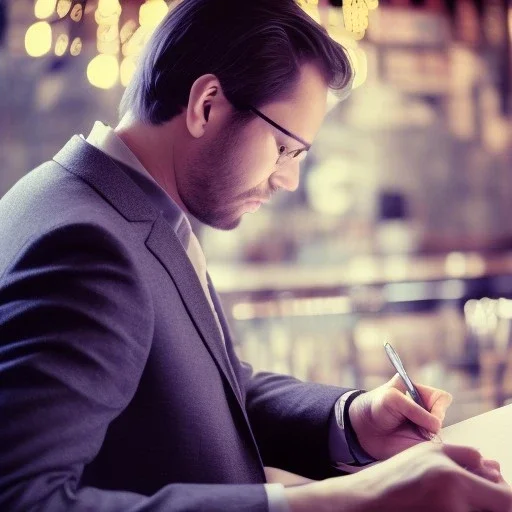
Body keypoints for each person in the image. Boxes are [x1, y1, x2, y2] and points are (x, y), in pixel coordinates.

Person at [0, 0, 510, 511]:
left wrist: (352, 420)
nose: (288, 181)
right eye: (285, 148)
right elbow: (23, 499)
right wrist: (349, 499)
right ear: (207, 104)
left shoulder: (114, 204)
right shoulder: (92, 248)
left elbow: (214, 392)